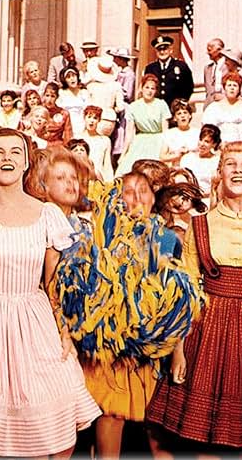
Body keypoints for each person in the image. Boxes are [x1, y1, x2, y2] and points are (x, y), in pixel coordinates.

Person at [0, 129, 101, 457]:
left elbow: (55, 283)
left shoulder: (48, 214)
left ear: (27, 162)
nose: (7, 158)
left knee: (59, 421)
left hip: (36, 319)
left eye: (15, 152)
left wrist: (66, 332)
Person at [146, 141, 242, 452]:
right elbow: (187, 294)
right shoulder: (201, 224)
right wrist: (178, 350)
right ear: (219, 172)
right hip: (206, 333)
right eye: (231, 164)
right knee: (206, 440)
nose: (238, 171)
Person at [52, 165, 193, 459]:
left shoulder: (168, 240)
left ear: (154, 199)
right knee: (109, 416)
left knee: (155, 425)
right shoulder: (100, 234)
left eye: (144, 191)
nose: (137, 197)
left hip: (150, 351)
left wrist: (176, 350)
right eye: (129, 191)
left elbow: (179, 302)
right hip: (108, 350)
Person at [115, 74, 170, 177]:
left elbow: (166, 133)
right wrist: (124, 154)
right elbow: (129, 135)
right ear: (142, 88)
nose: (149, 91)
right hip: (139, 142)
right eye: (147, 87)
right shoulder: (133, 107)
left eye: (152, 88)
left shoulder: (161, 104)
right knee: (127, 171)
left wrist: (165, 150)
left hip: (158, 141)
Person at [200, 69, 242, 143]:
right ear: (224, 88)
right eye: (229, 85)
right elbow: (207, 130)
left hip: (240, 145)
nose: (232, 88)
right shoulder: (213, 108)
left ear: (239, 89)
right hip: (219, 145)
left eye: (235, 85)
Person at [145, 36, 194, 106]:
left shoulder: (181, 66)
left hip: (175, 108)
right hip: (155, 107)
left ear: (170, 50)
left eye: (165, 49)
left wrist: (181, 103)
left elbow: (189, 87)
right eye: (159, 50)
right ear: (156, 51)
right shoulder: (150, 68)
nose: (162, 52)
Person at [86, 56, 125, 137]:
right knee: (106, 142)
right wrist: (113, 109)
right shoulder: (116, 86)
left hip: (95, 117)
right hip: (110, 119)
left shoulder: (91, 86)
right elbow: (121, 107)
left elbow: (87, 104)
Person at [180, 124, 221, 200]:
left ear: (214, 144)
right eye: (201, 140)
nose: (202, 144)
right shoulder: (187, 158)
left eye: (207, 141)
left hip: (209, 199)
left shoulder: (217, 161)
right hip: (188, 199)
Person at [159, 98, 199, 166]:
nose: (183, 116)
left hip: (195, 167)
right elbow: (162, 157)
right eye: (179, 114)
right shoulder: (169, 134)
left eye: (185, 113)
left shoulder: (197, 133)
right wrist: (176, 156)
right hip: (176, 168)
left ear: (190, 115)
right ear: (175, 118)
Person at [80, 105, 113, 182]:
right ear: (84, 118)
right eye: (89, 117)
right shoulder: (77, 138)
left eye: (95, 118)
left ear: (99, 120)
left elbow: (107, 165)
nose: (91, 121)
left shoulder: (105, 140)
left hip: (98, 180)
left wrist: (109, 184)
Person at [57, 66, 90, 137]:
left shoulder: (84, 92)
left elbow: (88, 110)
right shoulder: (61, 93)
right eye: (68, 77)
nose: (72, 78)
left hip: (82, 125)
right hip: (67, 127)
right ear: (64, 80)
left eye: (73, 75)